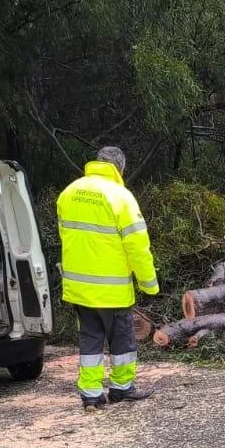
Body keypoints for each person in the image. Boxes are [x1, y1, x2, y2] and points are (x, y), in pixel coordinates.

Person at [56, 145, 159, 409]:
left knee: (90, 340)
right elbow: (137, 246)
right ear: (120, 168)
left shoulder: (69, 193)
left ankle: (91, 394)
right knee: (122, 341)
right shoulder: (120, 197)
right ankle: (121, 389)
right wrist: (149, 284)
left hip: (79, 288)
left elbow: (67, 239)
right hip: (112, 290)